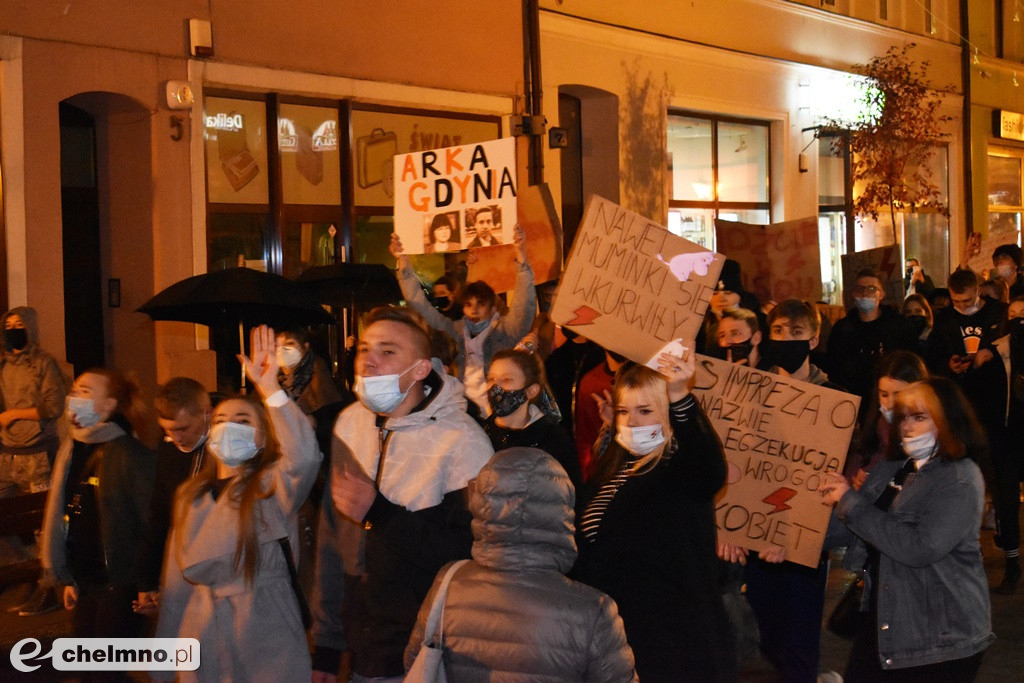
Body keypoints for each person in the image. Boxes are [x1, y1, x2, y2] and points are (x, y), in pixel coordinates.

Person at [329, 306, 493, 681]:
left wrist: (380, 514)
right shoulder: (349, 423)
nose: (368, 361)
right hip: (362, 648)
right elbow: (332, 540)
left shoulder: (463, 442)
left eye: (387, 351)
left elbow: (472, 555)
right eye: (364, 349)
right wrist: (328, 640)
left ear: (421, 369)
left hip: (427, 651)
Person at [155, 326, 322, 682]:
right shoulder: (192, 495)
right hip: (203, 628)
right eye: (220, 421)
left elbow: (305, 459)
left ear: (263, 437)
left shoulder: (271, 487)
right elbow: (175, 586)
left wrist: (270, 389)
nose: (229, 427)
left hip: (264, 630)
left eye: (243, 421)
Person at [404, 447, 637, 681]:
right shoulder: (594, 611)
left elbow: (417, 663)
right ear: (561, 512)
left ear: (484, 502)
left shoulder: (448, 583)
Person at [821, 378, 995, 681]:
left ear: (947, 419)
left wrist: (849, 501)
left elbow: (919, 547)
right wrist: (790, 542)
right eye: (903, 417)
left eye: (919, 416)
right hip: (887, 620)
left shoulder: (959, 479)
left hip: (939, 637)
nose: (907, 426)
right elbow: (855, 527)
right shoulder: (896, 467)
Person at [574, 359, 734, 682]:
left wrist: (680, 398)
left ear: (668, 413)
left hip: (673, 648)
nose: (631, 422)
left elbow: (709, 469)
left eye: (645, 411)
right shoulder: (618, 467)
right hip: (619, 639)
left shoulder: (677, 469)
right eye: (623, 411)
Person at [722, 298, 843, 683]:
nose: (786, 339)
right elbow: (738, 464)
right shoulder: (751, 391)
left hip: (803, 541)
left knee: (801, 639)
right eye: (778, 331)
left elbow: (825, 477)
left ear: (813, 339)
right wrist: (731, 526)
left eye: (796, 332)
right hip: (756, 535)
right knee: (768, 633)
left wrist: (787, 535)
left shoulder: (833, 400)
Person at [41, 368, 155, 647]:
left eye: (85, 391)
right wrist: (70, 578)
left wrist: (146, 584)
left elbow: (149, 523)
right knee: (84, 663)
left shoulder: (129, 453)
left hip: (118, 581)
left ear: (108, 406)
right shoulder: (72, 448)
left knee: (106, 667)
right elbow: (68, 516)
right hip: (85, 577)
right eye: (75, 390)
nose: (74, 396)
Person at [392, 225, 535, 413]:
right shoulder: (455, 331)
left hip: (499, 408)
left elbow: (523, 306)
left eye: (480, 303)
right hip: (462, 408)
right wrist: (403, 262)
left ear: (492, 307)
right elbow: (421, 308)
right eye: (468, 304)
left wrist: (521, 255)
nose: (474, 309)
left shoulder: (506, 331)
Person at [0, 307, 68, 617]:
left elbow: (53, 406)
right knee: (7, 519)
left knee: (43, 522)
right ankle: (25, 571)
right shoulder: (3, 363)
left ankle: (48, 586)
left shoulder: (44, 363)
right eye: (8, 325)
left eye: (19, 325)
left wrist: (14, 415)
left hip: (38, 452)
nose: (13, 329)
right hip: (7, 454)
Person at [134, 377, 213, 617]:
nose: (176, 438)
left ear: (207, 414)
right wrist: (146, 581)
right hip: (181, 565)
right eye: (167, 430)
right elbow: (159, 513)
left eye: (183, 429)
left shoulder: (226, 450)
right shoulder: (169, 449)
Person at [480, 349, 582, 493]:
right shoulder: (481, 433)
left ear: (531, 391)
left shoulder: (554, 441)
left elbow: (569, 495)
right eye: (491, 379)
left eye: (506, 380)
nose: (495, 388)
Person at [825, 268, 917, 403]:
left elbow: (911, 363)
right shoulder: (842, 329)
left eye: (872, 289)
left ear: (882, 295)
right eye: (860, 289)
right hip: (853, 401)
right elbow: (833, 367)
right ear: (853, 294)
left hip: (891, 400)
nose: (865, 293)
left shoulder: (899, 327)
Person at [844, 351, 928, 490]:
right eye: (884, 394)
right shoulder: (873, 431)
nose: (890, 403)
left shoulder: (926, 440)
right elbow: (856, 467)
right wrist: (855, 483)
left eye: (899, 394)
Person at [989, 299, 1024, 593]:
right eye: (1013, 316)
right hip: (1006, 438)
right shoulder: (996, 351)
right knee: (1007, 503)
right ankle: (1012, 564)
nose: (1018, 321)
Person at [275, 326, 345, 455]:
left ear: (305, 346)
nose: (282, 349)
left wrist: (316, 424)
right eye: (278, 345)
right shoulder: (270, 381)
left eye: (290, 343)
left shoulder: (325, 382)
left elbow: (340, 426)